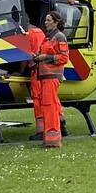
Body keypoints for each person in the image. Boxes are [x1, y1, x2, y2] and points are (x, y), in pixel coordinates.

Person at [32, 11, 69, 148]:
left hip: (52, 77)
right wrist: (36, 56)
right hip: (44, 77)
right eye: (46, 20)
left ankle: (53, 140)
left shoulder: (59, 37)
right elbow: (44, 53)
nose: (46, 22)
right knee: (46, 106)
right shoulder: (47, 38)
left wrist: (45, 57)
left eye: (48, 20)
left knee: (50, 106)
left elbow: (64, 58)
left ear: (55, 22)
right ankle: (49, 138)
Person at [25, 21, 47, 141]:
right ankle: (61, 124)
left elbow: (24, 55)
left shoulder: (26, 34)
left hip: (36, 70)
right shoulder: (40, 31)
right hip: (46, 70)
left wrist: (21, 70)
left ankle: (41, 130)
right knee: (51, 98)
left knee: (38, 99)